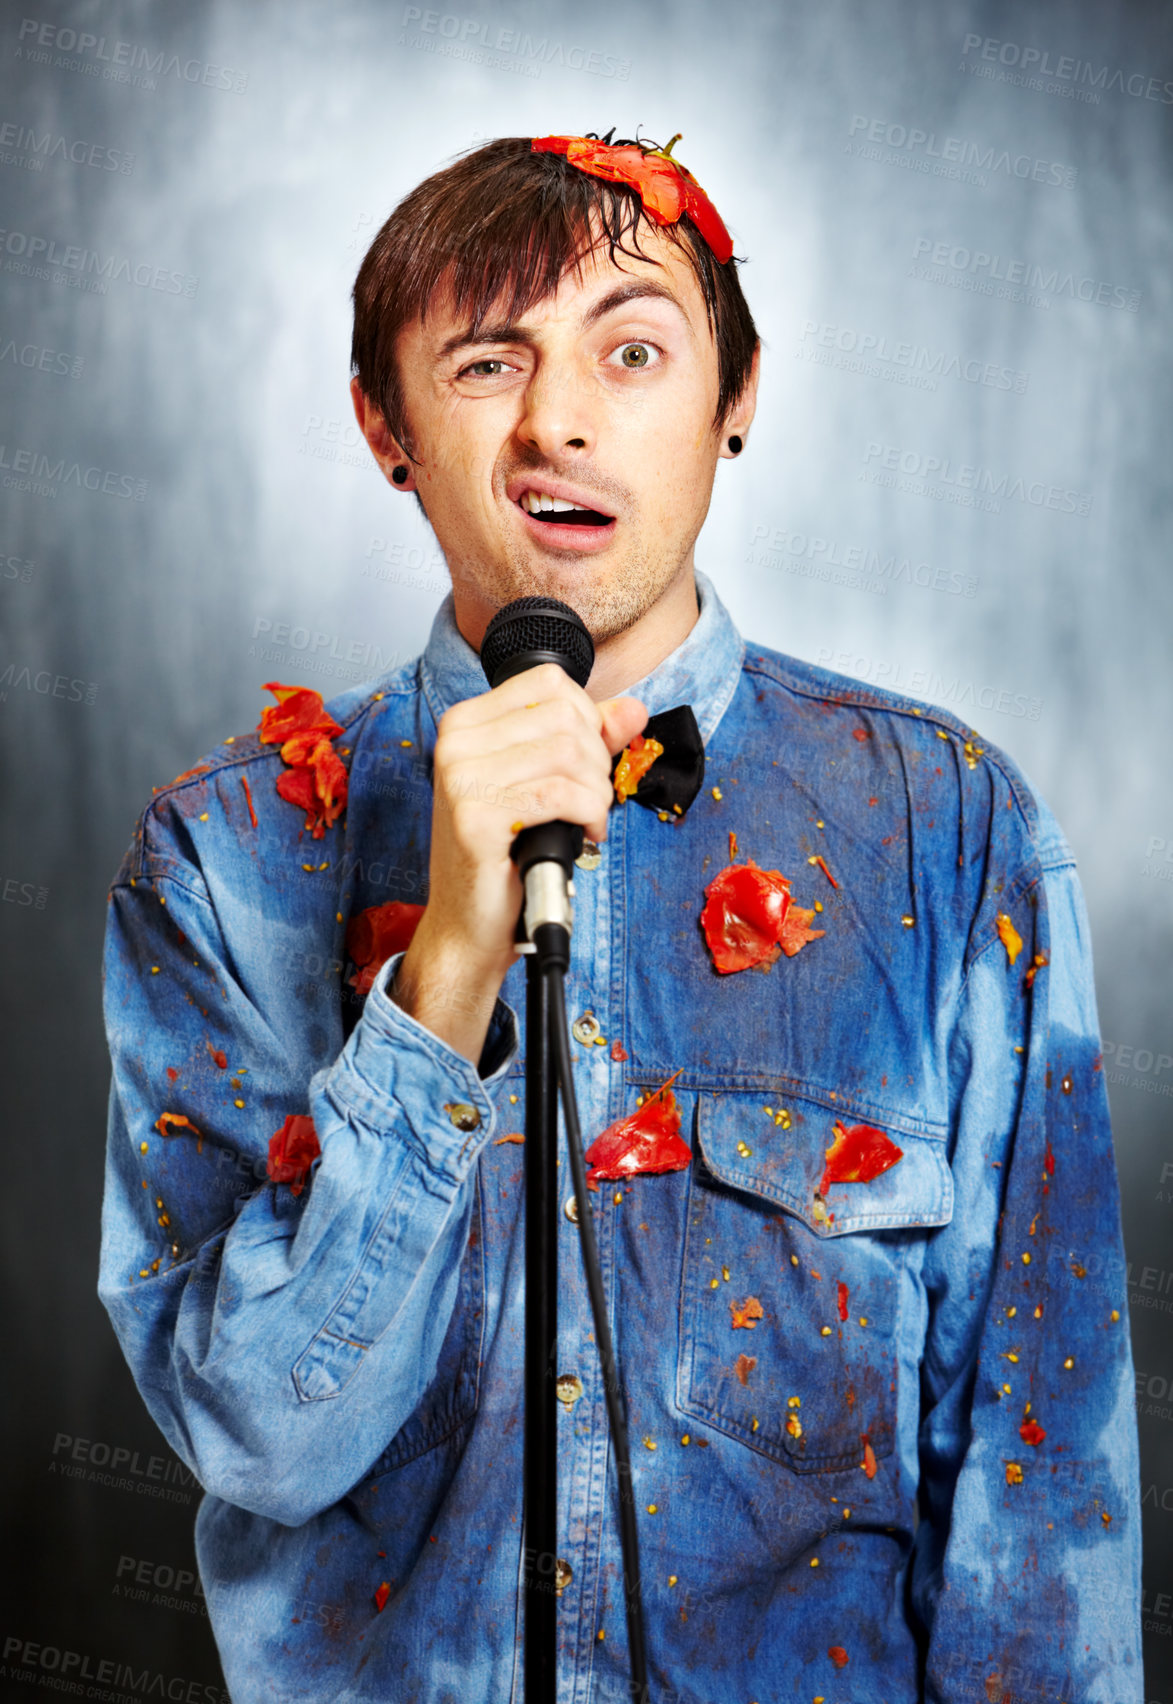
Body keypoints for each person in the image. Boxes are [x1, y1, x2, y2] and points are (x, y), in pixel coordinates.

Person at [98, 132, 1143, 1703]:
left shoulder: (947, 828)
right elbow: (263, 1435)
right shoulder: (221, 859)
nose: (557, 424)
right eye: (483, 364)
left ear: (735, 399)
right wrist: (444, 971)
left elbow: (1040, 1488)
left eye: (633, 351)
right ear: (384, 425)